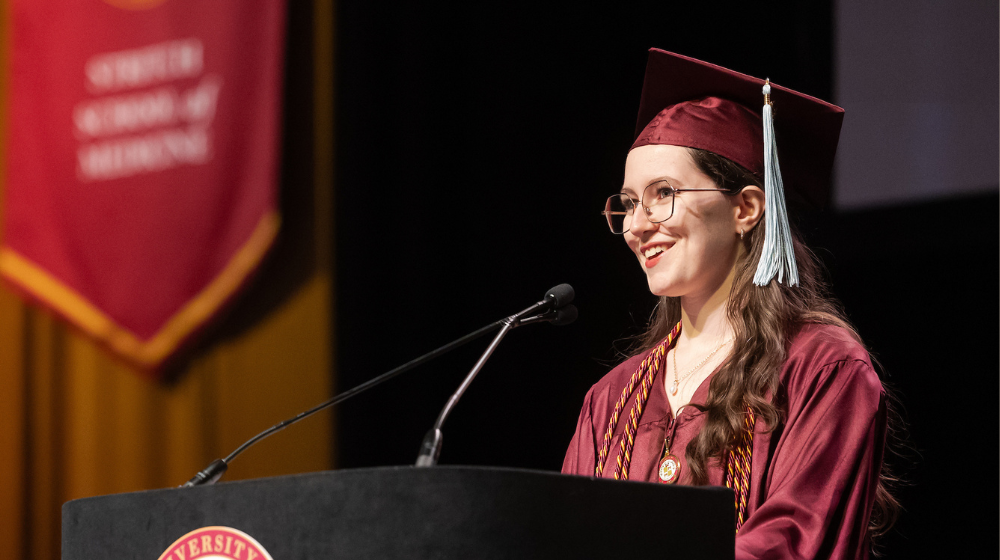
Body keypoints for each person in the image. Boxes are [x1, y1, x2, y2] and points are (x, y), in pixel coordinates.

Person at [561, 49, 897, 560]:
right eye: (628, 203)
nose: (636, 226)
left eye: (663, 193)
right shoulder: (610, 402)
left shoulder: (822, 369)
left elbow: (795, 541)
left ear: (745, 208)